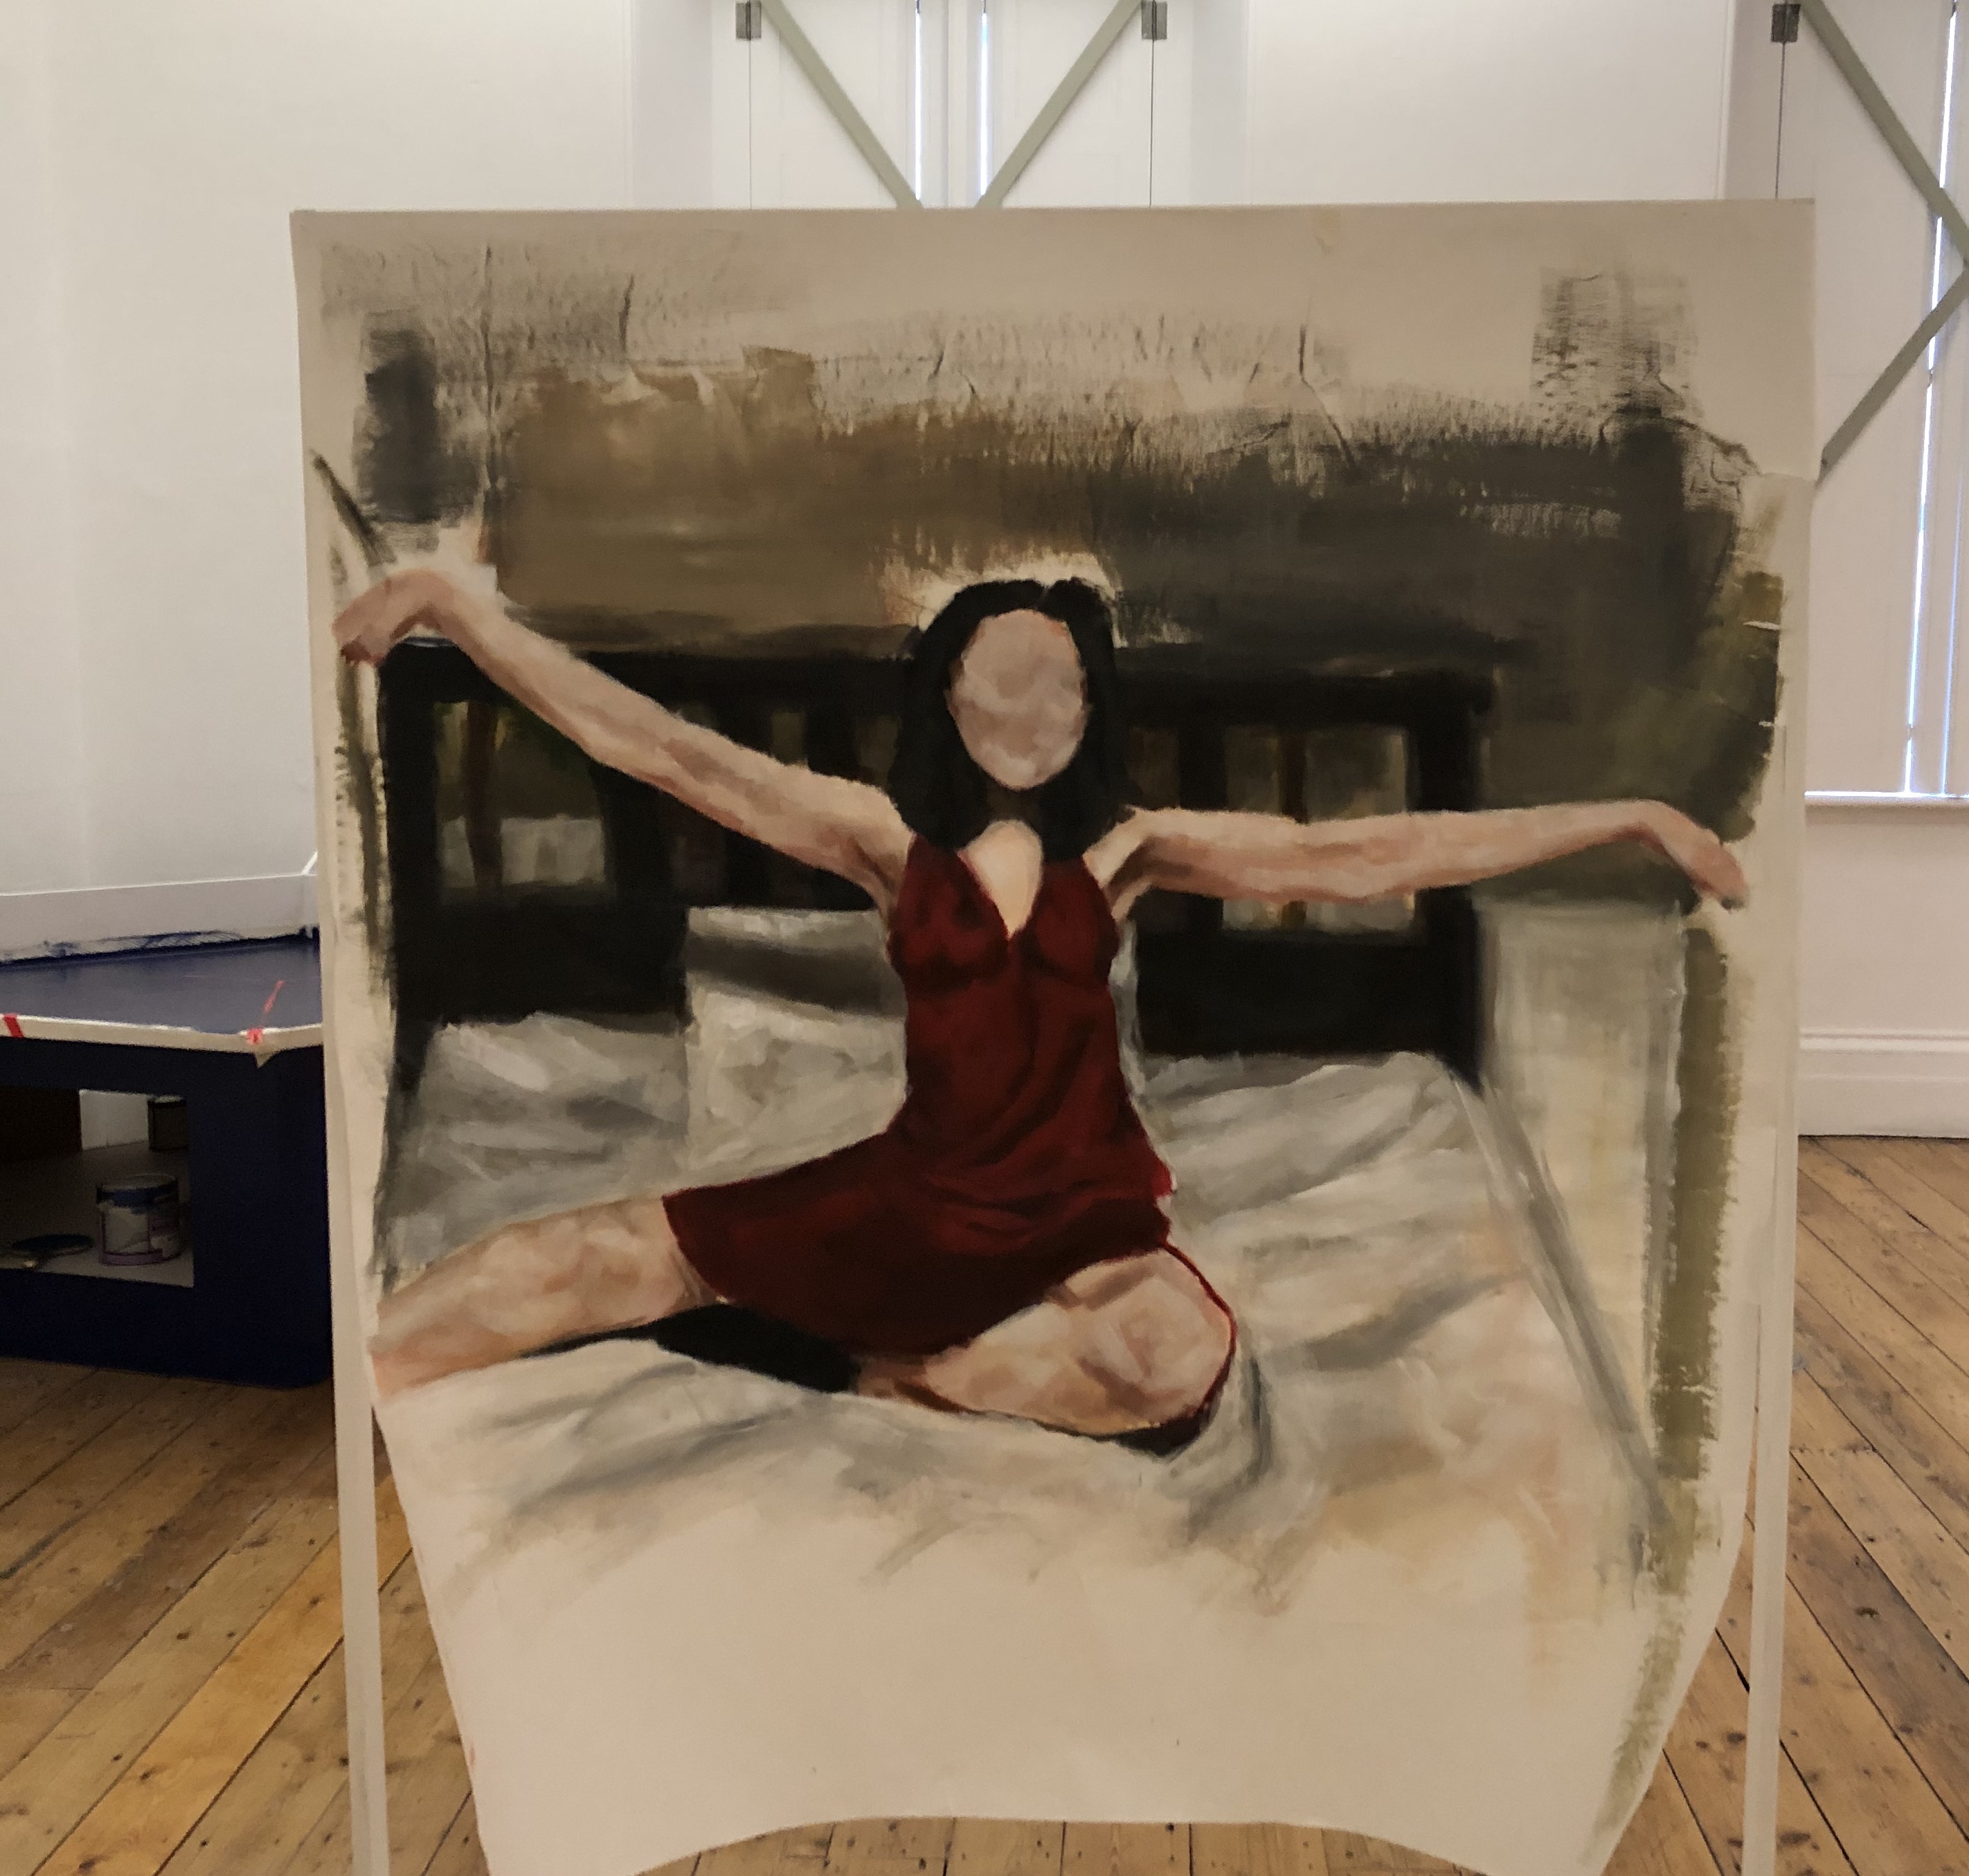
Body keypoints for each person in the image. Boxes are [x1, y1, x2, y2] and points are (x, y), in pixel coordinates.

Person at [336, 566, 1745, 1441]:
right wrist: (460, 612)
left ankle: (888, 1379)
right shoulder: (884, 843)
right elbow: (664, 753)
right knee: (573, 1261)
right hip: (914, 1199)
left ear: (1091, 707)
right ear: (947, 697)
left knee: (1175, 1353)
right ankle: (366, 1393)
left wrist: (1627, 817)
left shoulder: (1130, 853)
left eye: (1059, 687)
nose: (1028, 712)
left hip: (1084, 1228)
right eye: (997, 683)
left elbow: (1372, 854)